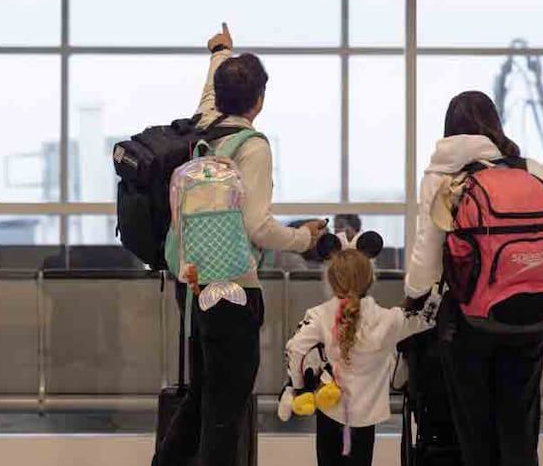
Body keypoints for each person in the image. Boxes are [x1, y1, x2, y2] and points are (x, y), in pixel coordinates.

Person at [154, 24, 328, 466]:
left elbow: (211, 93)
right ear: (260, 101)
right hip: (233, 289)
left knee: (200, 398)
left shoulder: (201, 132)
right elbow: (256, 226)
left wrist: (220, 52)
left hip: (192, 285)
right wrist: (303, 238)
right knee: (223, 412)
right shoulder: (252, 148)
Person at [405, 91, 543, 466]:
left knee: (474, 430)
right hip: (532, 315)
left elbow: (427, 252)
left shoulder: (443, 175)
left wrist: (414, 296)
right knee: (520, 429)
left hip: (468, 319)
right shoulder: (530, 169)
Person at [286, 248, 436, 466]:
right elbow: (427, 319)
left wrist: (298, 386)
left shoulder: (318, 315)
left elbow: (295, 349)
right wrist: (432, 293)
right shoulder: (390, 319)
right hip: (365, 418)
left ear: (331, 281)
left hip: (329, 408)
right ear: (371, 279)